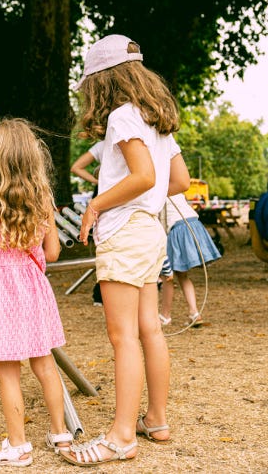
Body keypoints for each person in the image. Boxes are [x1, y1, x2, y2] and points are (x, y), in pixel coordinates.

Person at [67, 34, 190, 466]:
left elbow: (142, 176)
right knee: (149, 329)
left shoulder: (121, 116)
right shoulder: (156, 120)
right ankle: (155, 419)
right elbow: (178, 182)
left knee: (123, 338)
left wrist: (96, 205)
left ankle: (121, 437)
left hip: (125, 232)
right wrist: (146, 198)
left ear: (102, 79)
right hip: (150, 231)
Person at [0, 118, 71, 467]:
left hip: (0, 292)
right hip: (33, 287)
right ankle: (60, 434)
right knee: (45, 363)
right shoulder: (43, 201)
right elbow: (53, 253)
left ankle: (18, 445)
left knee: (8, 370)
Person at [158, 193, 222, 327]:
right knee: (182, 275)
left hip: (178, 228)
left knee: (167, 275)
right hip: (193, 223)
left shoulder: (157, 192)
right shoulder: (176, 188)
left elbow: (160, 221)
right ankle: (194, 313)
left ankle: (165, 315)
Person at [71, 142, 103, 306]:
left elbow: (77, 167)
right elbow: (75, 167)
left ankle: (101, 292)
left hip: (104, 195)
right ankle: (101, 292)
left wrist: (97, 182)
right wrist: (98, 181)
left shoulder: (102, 145)